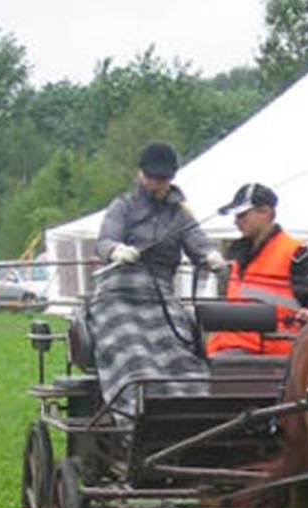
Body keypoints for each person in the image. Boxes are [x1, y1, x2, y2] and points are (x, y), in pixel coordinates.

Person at [90, 141, 227, 422]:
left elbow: (196, 240)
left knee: (180, 351)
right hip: (118, 293)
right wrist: (116, 250)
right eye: (153, 178)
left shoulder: (179, 215)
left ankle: (190, 414)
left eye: (163, 180)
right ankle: (135, 415)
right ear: (140, 175)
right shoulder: (122, 207)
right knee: (134, 351)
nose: (158, 185)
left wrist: (211, 255)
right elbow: (104, 240)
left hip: (160, 295)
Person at [206, 182, 308, 357]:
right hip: (229, 348)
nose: (236, 222)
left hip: (269, 355)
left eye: (242, 215)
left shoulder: (295, 253)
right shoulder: (236, 255)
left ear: (265, 212)